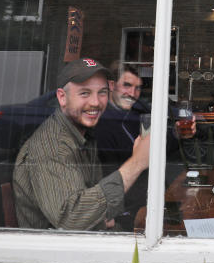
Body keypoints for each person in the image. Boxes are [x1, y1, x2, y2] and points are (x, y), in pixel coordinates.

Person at [13, 58, 150, 230]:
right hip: (60, 251)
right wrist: (137, 163)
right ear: (62, 97)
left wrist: (106, 216)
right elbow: (72, 220)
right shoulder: (54, 146)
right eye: (84, 93)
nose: (95, 102)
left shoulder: (83, 135)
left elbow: (93, 200)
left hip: (90, 238)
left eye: (102, 92)